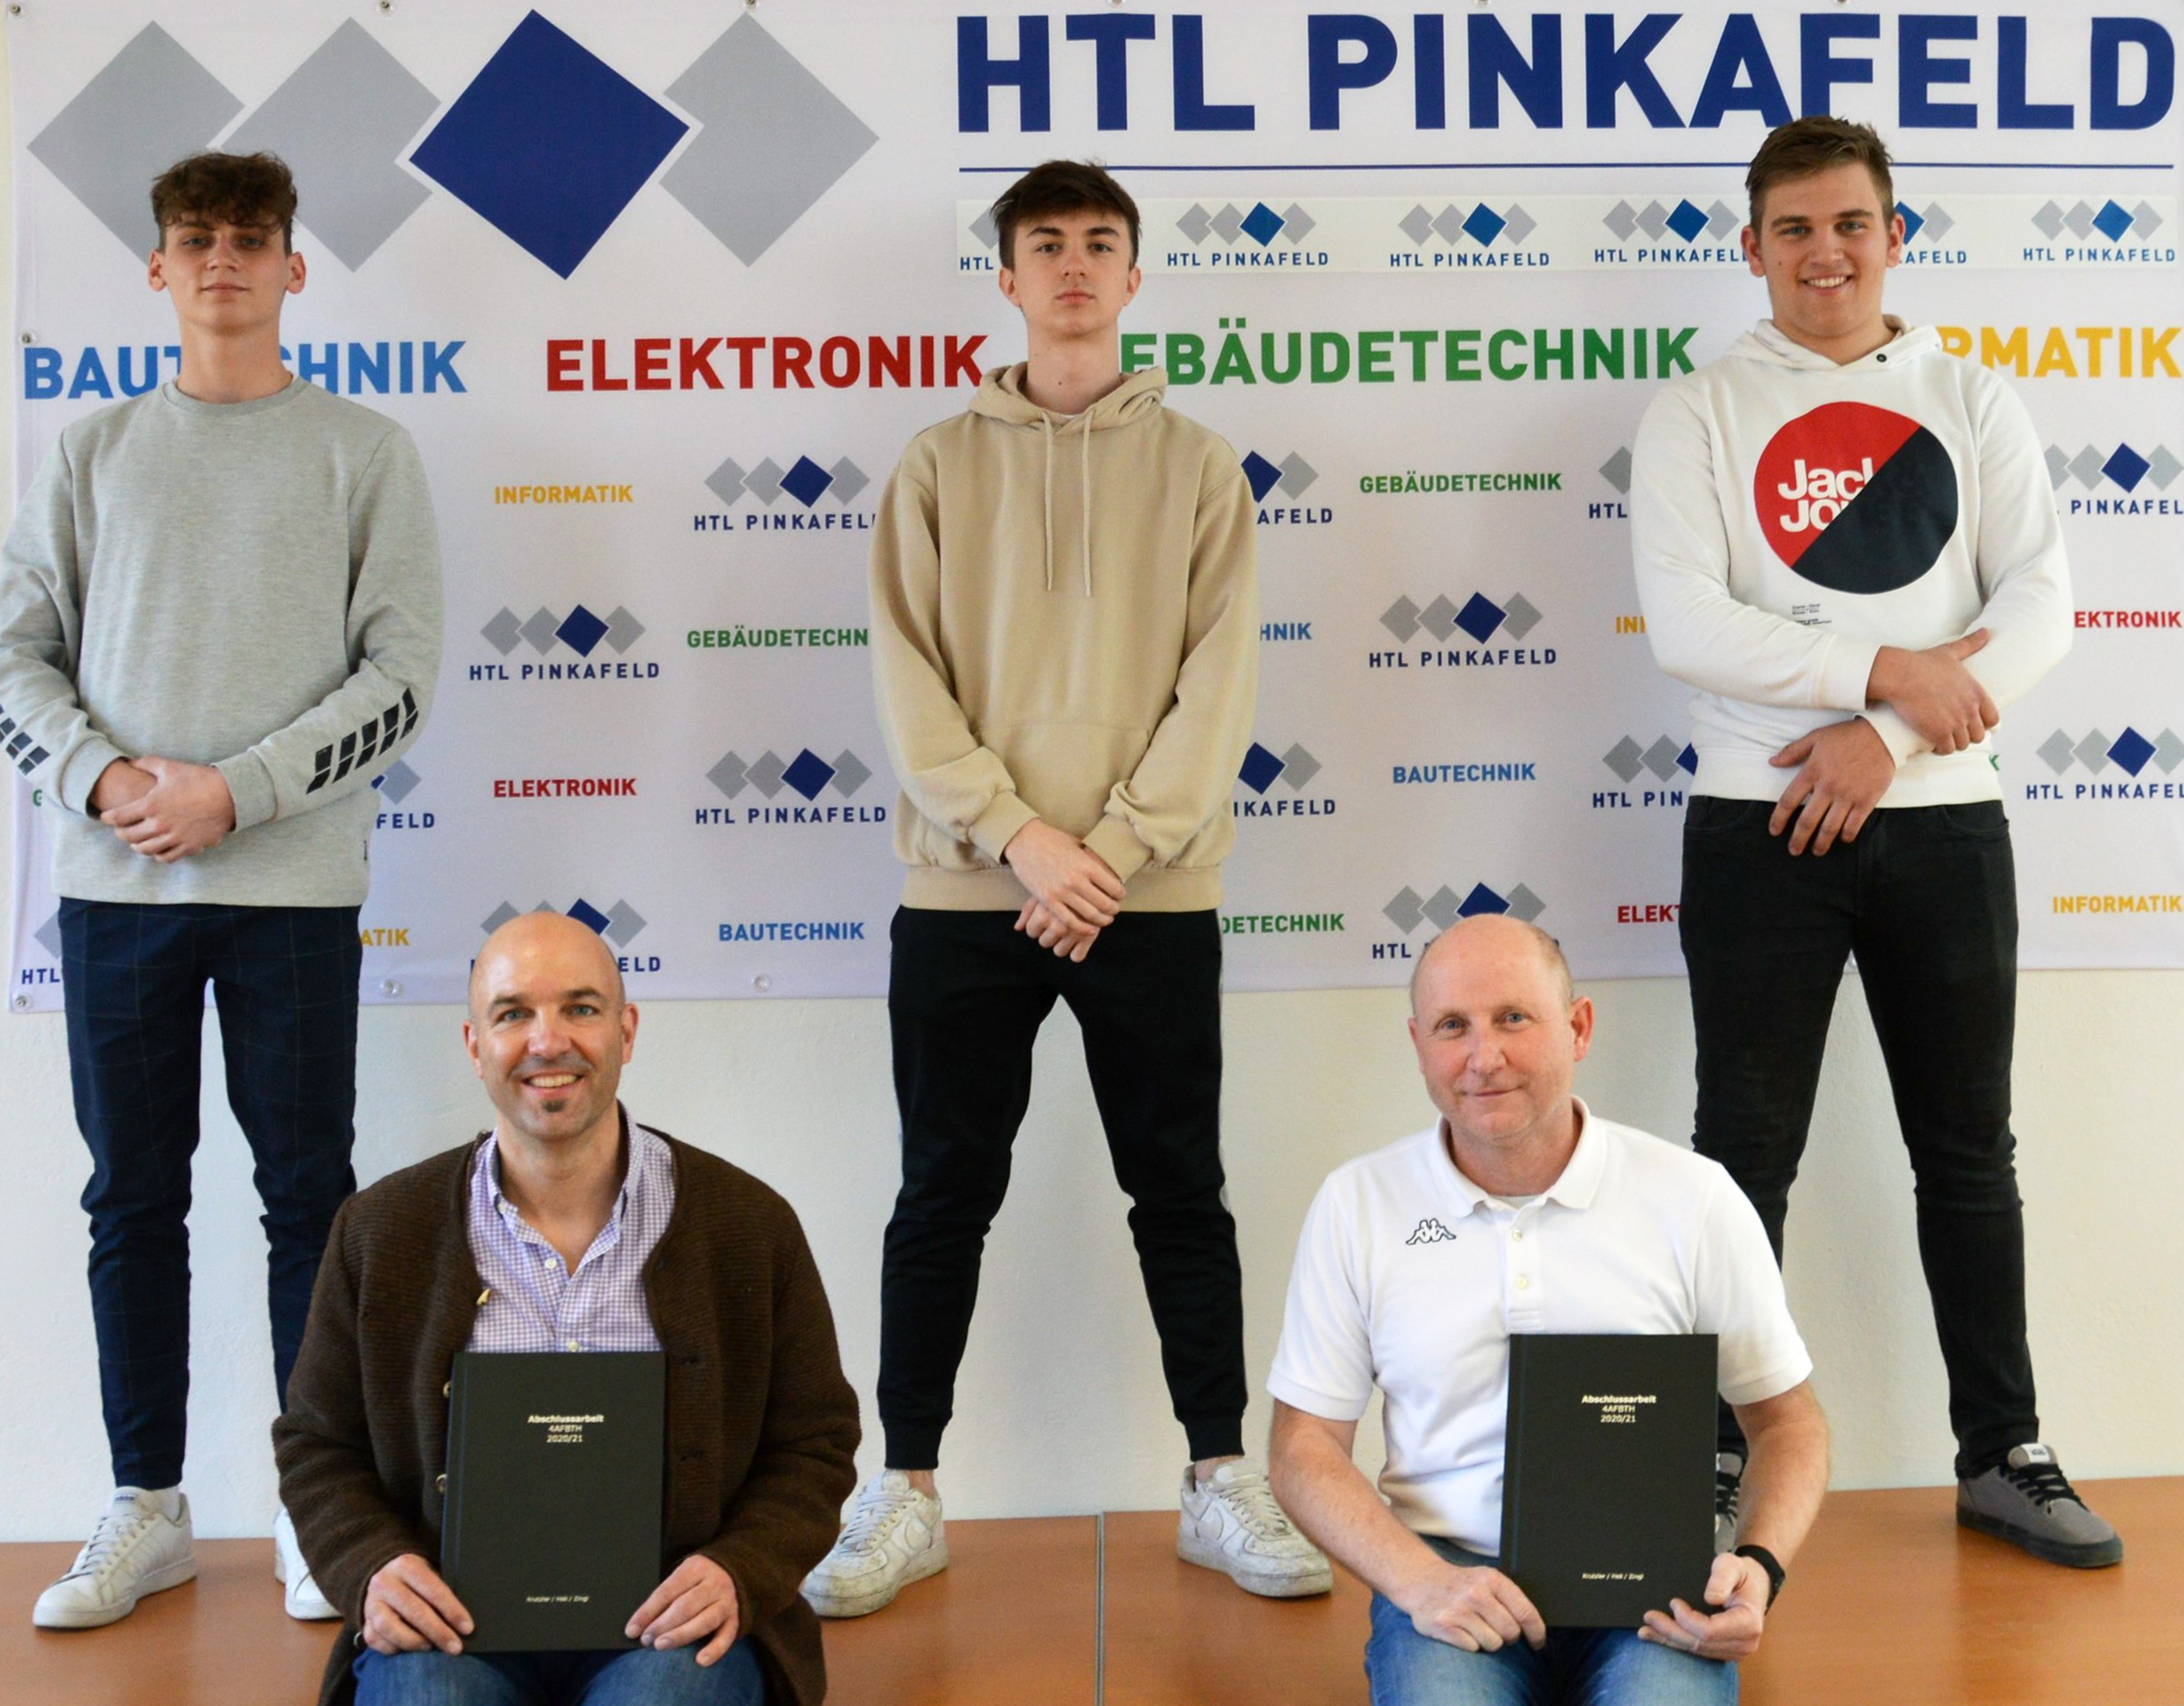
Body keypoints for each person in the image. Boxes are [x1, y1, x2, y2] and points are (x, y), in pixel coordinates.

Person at [808, 158, 1326, 1618]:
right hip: (968, 896)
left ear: (1136, 275)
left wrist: (1116, 850)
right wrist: (1020, 840)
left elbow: (1220, 684)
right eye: (1048, 244)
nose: (1077, 266)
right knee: (941, 1193)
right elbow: (907, 682)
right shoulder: (934, 465)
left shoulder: (1201, 466)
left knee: (1182, 1191)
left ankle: (1217, 1475)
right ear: (1010, 277)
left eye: (1102, 243)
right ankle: (906, 1490)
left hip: (1148, 896)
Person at [1630, 116, 2119, 1567]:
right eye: (1794, 228)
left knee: (1968, 1148)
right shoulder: (1699, 410)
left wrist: (1883, 735)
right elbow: (1689, 622)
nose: (1825, 251)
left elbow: (2038, 609)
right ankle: (1705, 1458)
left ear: (1895, 236)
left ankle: (2004, 1451)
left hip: (1945, 823)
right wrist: (1893, 670)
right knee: (1740, 1152)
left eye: (1851, 223)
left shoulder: (1971, 396)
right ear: (1752, 248)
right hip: (1759, 818)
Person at [0, 151, 444, 1629]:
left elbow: (402, 674)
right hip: (117, 893)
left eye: (251, 239)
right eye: (196, 238)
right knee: (133, 1198)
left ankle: (319, 1512)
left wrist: (235, 790)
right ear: (159, 269)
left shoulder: (363, 450)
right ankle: (148, 1501)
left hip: (292, 891)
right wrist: (106, 780)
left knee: (310, 1197)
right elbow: (6, 657)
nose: (223, 260)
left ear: (294, 269)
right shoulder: (92, 450)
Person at [273, 913, 859, 1706]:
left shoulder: (747, 1225)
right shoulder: (380, 1231)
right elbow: (316, 1442)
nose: (548, 1042)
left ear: (627, 1029)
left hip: (669, 1627)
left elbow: (815, 1442)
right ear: (475, 1044)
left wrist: (740, 1569)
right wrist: (369, 1564)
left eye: (581, 1008)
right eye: (513, 1013)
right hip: (452, 1624)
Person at [1268, 917, 1829, 1706]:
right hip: (1448, 1571)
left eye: (1513, 1018)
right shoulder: (1356, 1204)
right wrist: (1418, 1580)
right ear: (1418, 1045)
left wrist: (1760, 1567)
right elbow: (1302, 1448)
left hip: (1653, 1586)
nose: (1483, 1056)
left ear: (1579, 1027)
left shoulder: (1694, 1197)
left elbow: (1788, 1422)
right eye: (1452, 1026)